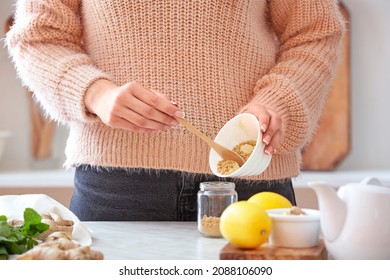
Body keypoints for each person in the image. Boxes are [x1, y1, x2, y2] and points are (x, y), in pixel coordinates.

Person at [6, 0, 345, 221]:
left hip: (251, 183)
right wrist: (96, 93)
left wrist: (279, 100)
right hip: (117, 188)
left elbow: (315, 31)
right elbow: (38, 36)